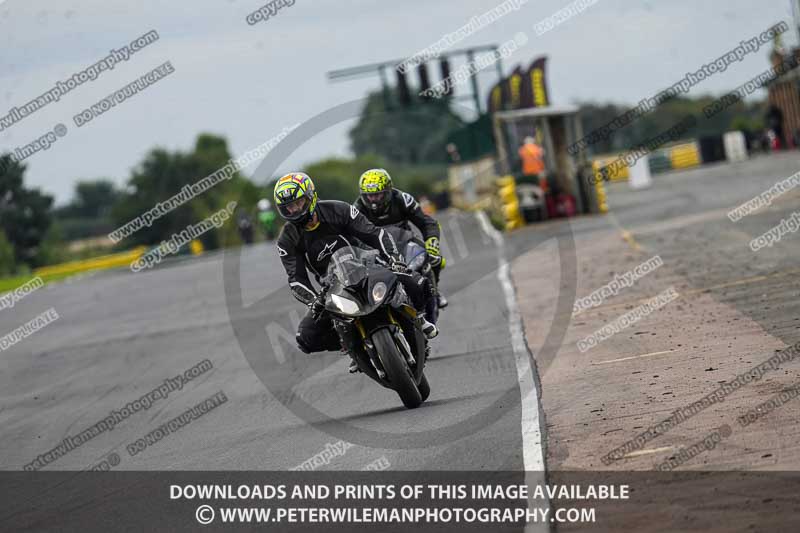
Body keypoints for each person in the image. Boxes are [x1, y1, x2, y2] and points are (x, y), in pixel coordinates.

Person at [273, 172, 438, 372]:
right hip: (334, 285)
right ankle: (353, 346)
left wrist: (394, 258)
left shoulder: (339, 209)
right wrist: (314, 301)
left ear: (310, 196)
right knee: (306, 338)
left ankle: (418, 318)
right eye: (288, 207)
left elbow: (375, 234)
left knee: (419, 283)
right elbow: (296, 279)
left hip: (369, 264)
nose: (295, 210)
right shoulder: (286, 239)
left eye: (298, 203)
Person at [353, 168, 448, 309]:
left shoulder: (403, 199)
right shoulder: (356, 210)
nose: (374, 200)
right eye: (370, 196)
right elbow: (352, 236)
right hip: (377, 249)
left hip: (406, 241)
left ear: (388, 191)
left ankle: (435, 291)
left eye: (378, 195)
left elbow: (427, 222)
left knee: (435, 259)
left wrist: (432, 243)